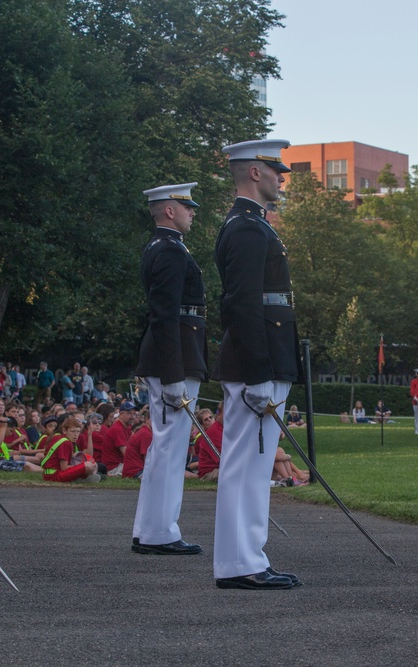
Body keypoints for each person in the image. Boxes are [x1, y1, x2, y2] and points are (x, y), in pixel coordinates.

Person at [211, 139, 303, 590]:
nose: (280, 177)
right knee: (248, 463)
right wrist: (259, 371)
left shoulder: (253, 225)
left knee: (252, 463)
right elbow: (241, 304)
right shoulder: (247, 228)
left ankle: (247, 558)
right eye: (275, 170)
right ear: (254, 173)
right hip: (258, 361)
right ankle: (240, 562)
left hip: (262, 357)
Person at [129, 182, 208, 556]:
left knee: (166, 447)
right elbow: (165, 316)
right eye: (187, 206)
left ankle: (150, 529)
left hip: (173, 353)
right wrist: (174, 373)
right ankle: (159, 532)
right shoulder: (171, 252)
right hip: (173, 357)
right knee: (170, 448)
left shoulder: (163, 248)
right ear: (170, 211)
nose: (193, 211)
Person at [41, 416, 99, 483]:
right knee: (88, 465)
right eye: (73, 431)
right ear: (64, 431)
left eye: (78, 432)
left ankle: (82, 478)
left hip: (48, 474)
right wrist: (81, 467)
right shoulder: (66, 443)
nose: (76, 435)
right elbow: (64, 468)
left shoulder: (58, 438)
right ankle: (83, 478)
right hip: (55, 475)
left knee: (92, 465)